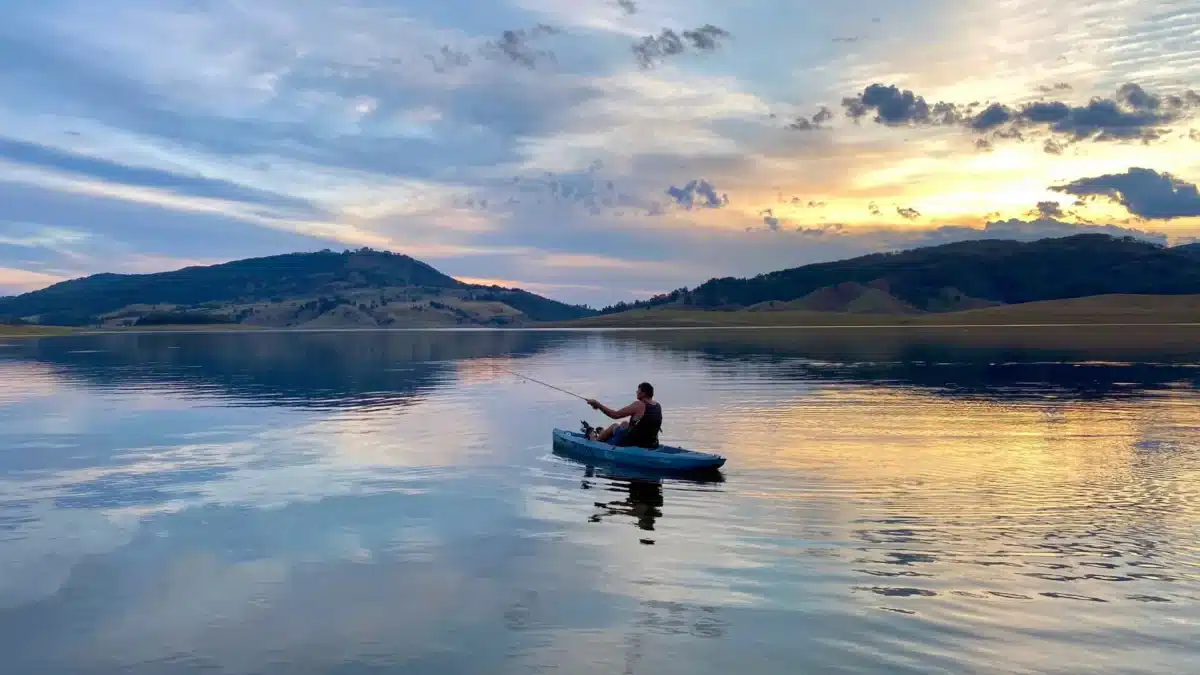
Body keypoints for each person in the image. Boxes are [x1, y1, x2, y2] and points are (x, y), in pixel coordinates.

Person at [581, 382, 662, 449]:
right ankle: (602, 432)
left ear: (643, 393)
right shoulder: (657, 405)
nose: (636, 392)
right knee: (624, 423)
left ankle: (595, 440)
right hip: (651, 443)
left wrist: (597, 404)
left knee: (614, 425)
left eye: (638, 390)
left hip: (634, 443)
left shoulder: (639, 404)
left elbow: (615, 415)